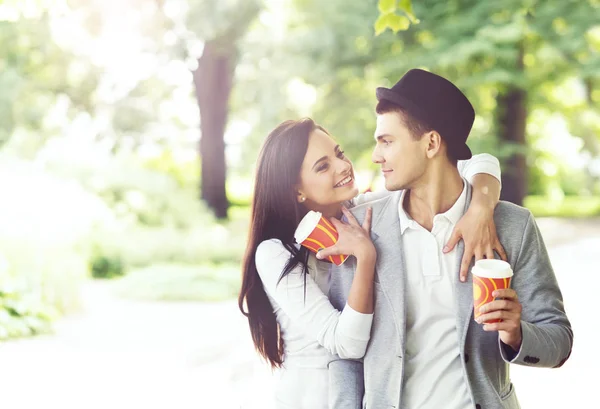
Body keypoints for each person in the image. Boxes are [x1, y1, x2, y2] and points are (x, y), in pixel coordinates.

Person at [322, 69, 573, 409]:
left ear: (431, 143)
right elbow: (342, 354)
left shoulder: (513, 227)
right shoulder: (363, 227)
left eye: (387, 141)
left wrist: (516, 333)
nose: (376, 155)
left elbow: (558, 338)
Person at [238, 114, 505, 408]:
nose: (342, 166)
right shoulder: (276, 254)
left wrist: (481, 206)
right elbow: (347, 344)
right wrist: (365, 256)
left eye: (338, 154)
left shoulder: (361, 212)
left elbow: (479, 162)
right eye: (323, 166)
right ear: (296, 190)